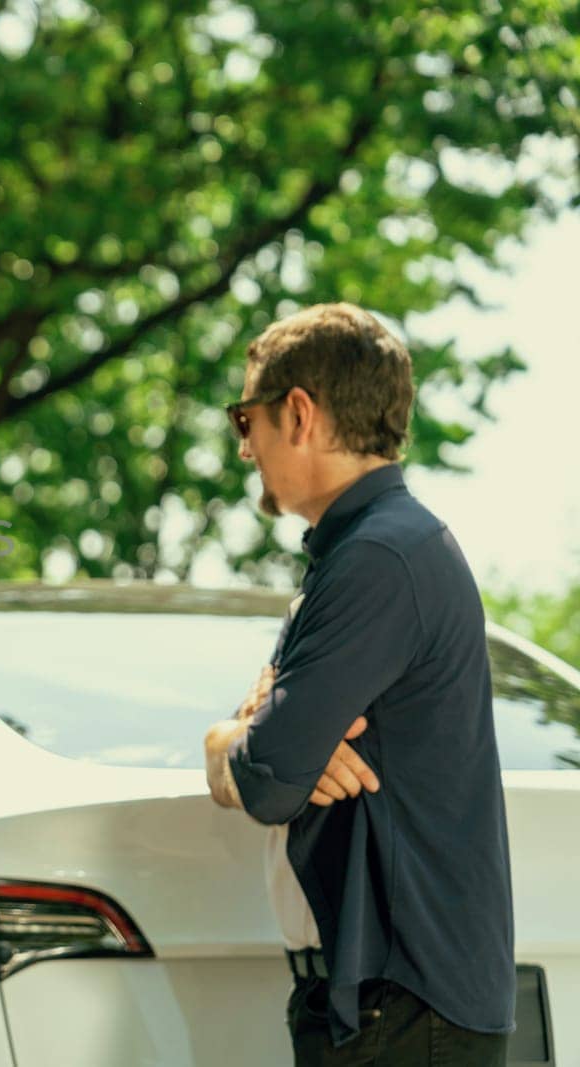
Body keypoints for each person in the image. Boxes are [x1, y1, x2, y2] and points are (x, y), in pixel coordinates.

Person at [201, 303, 514, 1065]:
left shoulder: (379, 558)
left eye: (247, 421)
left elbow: (271, 780)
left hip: (402, 1013)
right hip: (391, 1006)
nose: (245, 450)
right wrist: (244, 737)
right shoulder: (381, 550)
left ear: (298, 413)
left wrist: (247, 742)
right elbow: (275, 755)